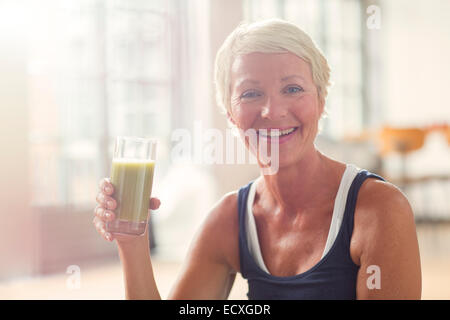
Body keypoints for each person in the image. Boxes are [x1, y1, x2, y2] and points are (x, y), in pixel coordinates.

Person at [93, 19, 421, 299]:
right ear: (231, 115)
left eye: (292, 89)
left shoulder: (379, 210)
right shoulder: (228, 220)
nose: (273, 111)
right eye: (251, 93)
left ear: (321, 101)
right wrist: (131, 241)